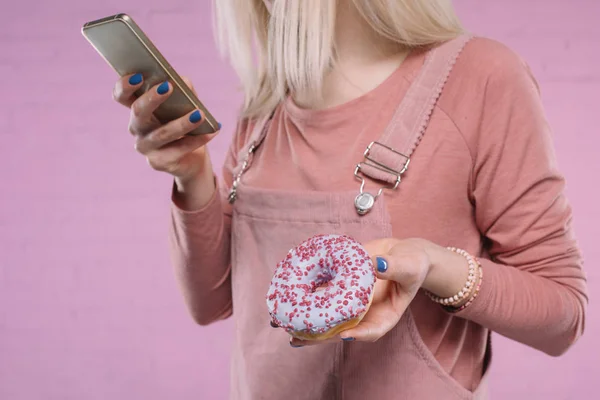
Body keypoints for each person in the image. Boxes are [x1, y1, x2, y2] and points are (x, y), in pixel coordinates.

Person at [112, 1, 588, 398]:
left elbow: (562, 316)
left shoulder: (480, 78)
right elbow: (211, 303)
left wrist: (430, 264)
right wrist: (192, 175)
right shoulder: (265, 108)